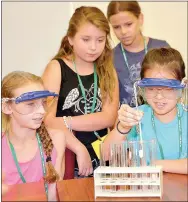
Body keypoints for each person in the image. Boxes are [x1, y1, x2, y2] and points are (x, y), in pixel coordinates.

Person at [42, 6, 119, 178]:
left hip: (102, 155)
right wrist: (79, 147)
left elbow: (109, 117)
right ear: (70, 38)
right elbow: (46, 120)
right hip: (67, 154)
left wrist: (66, 122)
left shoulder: (107, 69)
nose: (93, 47)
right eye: (86, 39)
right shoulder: (56, 68)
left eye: (100, 40)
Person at [103, 47, 188, 174]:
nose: (159, 96)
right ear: (142, 87)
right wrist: (123, 128)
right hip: (145, 191)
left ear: (182, 86)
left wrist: (155, 164)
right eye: (151, 88)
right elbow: (105, 156)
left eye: (168, 88)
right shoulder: (134, 116)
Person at [2, 71, 66, 199]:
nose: (42, 111)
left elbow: (53, 197)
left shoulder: (56, 139)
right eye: (30, 104)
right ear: (7, 108)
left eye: (43, 102)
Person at [107, 1, 170, 107]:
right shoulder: (110, 57)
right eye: (116, 27)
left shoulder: (162, 48)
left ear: (140, 19)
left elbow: (175, 90)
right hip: (128, 121)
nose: (123, 31)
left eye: (128, 24)